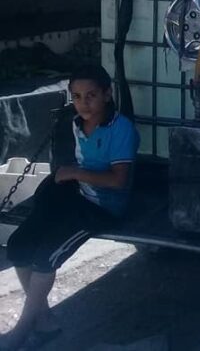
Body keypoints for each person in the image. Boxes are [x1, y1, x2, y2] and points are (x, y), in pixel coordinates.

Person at [1, 65, 140, 349]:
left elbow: (117, 181)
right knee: (18, 246)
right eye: (77, 96)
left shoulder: (121, 129)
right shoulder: (76, 122)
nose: (83, 103)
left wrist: (74, 173)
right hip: (77, 194)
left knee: (46, 257)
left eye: (91, 95)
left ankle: (23, 328)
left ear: (107, 95)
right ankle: (44, 319)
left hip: (102, 208)